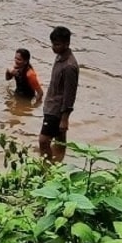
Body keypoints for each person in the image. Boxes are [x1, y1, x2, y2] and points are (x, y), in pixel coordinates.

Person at [40, 27, 79, 163]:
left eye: (57, 44)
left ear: (67, 44)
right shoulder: (60, 57)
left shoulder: (69, 66)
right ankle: (57, 166)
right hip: (51, 105)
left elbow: (70, 94)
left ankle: (46, 168)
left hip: (56, 110)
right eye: (53, 44)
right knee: (60, 140)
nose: (53, 47)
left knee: (43, 141)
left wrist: (65, 118)